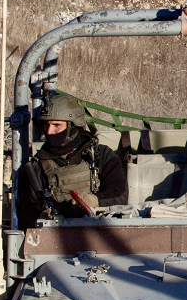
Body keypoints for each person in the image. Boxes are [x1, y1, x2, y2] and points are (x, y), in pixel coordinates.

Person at [16, 93, 127, 226]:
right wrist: (40, 217)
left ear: (73, 127)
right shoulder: (36, 168)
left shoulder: (100, 156)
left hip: (100, 231)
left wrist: (94, 200)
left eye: (56, 125)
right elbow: (24, 215)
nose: (49, 131)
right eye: (46, 125)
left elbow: (120, 196)